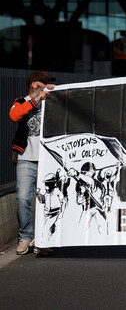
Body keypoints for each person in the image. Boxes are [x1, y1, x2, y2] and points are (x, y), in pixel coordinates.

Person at [10, 71, 56, 256]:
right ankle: (25, 237)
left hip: (49, 159)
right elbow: (14, 116)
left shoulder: (52, 101)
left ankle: (43, 239)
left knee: (48, 200)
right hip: (26, 158)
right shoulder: (21, 101)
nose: (47, 86)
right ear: (35, 84)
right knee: (23, 198)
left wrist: (54, 93)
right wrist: (36, 100)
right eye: (44, 83)